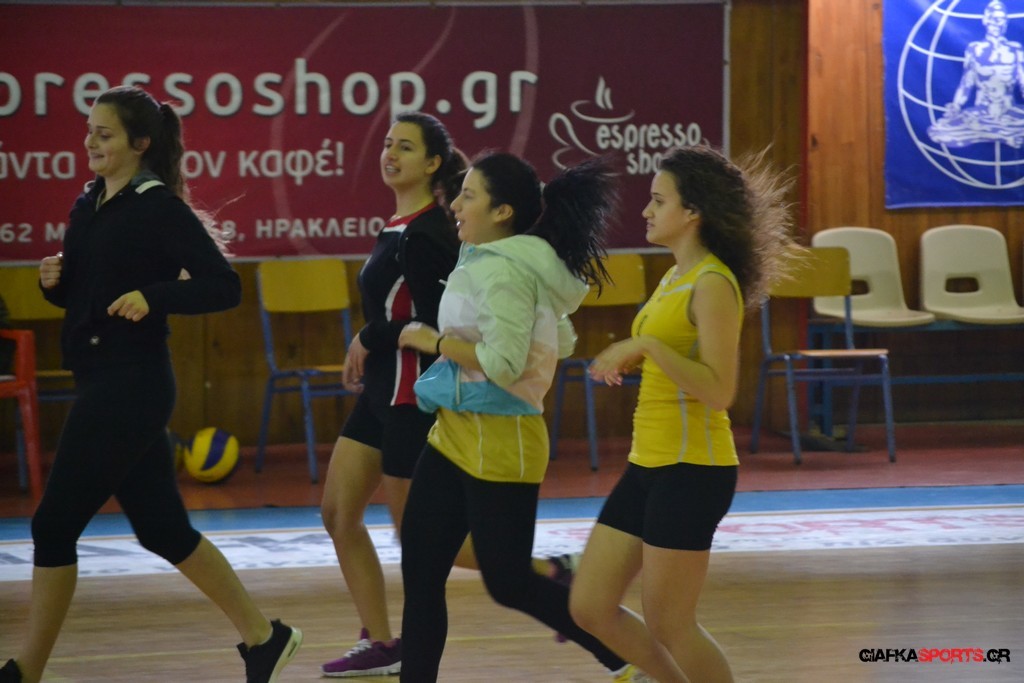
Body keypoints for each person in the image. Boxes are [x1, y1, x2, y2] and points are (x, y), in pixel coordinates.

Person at [0, 85, 301, 683]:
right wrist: (55, 284)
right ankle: (265, 639)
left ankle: (26, 670)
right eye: (89, 131)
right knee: (163, 530)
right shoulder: (88, 202)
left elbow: (224, 286)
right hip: (100, 379)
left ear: (140, 143)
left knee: (52, 526)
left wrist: (154, 296)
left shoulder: (158, 206)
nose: (90, 142)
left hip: (131, 385)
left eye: (104, 133)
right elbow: (87, 296)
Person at [318, 114, 576, 678]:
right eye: (388, 143)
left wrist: (376, 336)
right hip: (382, 389)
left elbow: (449, 325)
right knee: (339, 513)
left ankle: (548, 576)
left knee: (429, 546)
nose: (390, 153)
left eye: (405, 147)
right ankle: (381, 640)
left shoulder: (437, 234)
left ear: (434, 163)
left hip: (414, 395)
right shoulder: (401, 227)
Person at [395, 152, 650, 683]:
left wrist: (432, 341)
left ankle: (628, 657)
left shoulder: (505, 270)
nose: (455, 203)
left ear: (502, 212)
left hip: (502, 439)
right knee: (420, 571)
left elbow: (505, 364)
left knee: (509, 582)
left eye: (469, 195)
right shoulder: (488, 259)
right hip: (453, 431)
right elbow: (557, 340)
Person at [567, 145, 795, 683]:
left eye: (658, 200)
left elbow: (720, 390)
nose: (646, 210)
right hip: (649, 463)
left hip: (692, 470)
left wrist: (647, 347)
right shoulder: (674, 277)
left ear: (692, 211)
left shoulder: (713, 283)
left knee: (672, 624)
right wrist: (643, 352)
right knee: (590, 606)